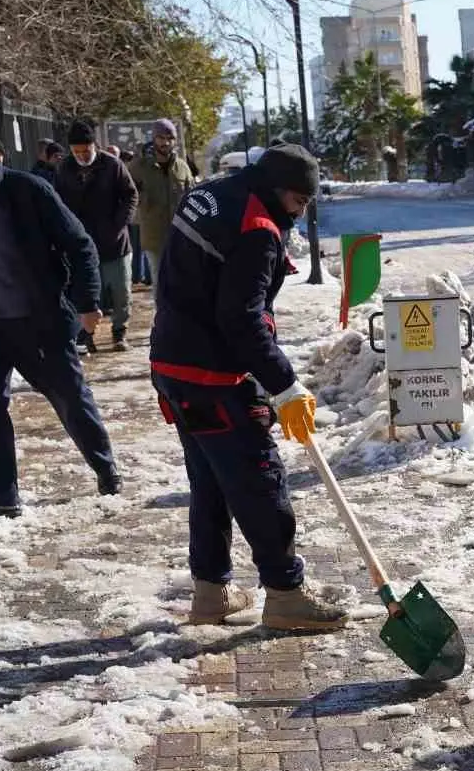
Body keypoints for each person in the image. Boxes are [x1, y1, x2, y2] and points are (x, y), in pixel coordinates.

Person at [149, 143, 349, 631]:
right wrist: (285, 385)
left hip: (173, 364)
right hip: (213, 377)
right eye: (299, 204)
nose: (299, 217)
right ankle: (285, 594)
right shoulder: (258, 229)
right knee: (260, 479)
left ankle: (212, 591)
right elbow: (241, 320)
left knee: (212, 481)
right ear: (280, 191)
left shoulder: (212, 193)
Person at [0, 118, 121, 522]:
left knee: (69, 398)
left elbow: (80, 245)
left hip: (39, 321)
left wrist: (87, 303)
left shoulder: (28, 190)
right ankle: (2, 493)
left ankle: (105, 467)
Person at [54, 121, 137, 352]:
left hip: (115, 242)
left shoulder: (112, 165)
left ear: (94, 146)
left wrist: (118, 225)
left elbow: (130, 196)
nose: (82, 156)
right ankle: (87, 335)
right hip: (82, 245)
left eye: (86, 150)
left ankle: (120, 332)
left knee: (121, 292)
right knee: (89, 293)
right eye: (76, 151)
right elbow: (57, 202)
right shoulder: (64, 169)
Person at [128, 119, 194, 291]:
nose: (165, 142)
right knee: (160, 284)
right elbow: (126, 194)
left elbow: (191, 198)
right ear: (154, 138)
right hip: (154, 237)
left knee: (182, 283)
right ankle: (163, 317)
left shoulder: (182, 167)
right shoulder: (138, 166)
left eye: (170, 138)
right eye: (161, 137)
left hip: (181, 236)